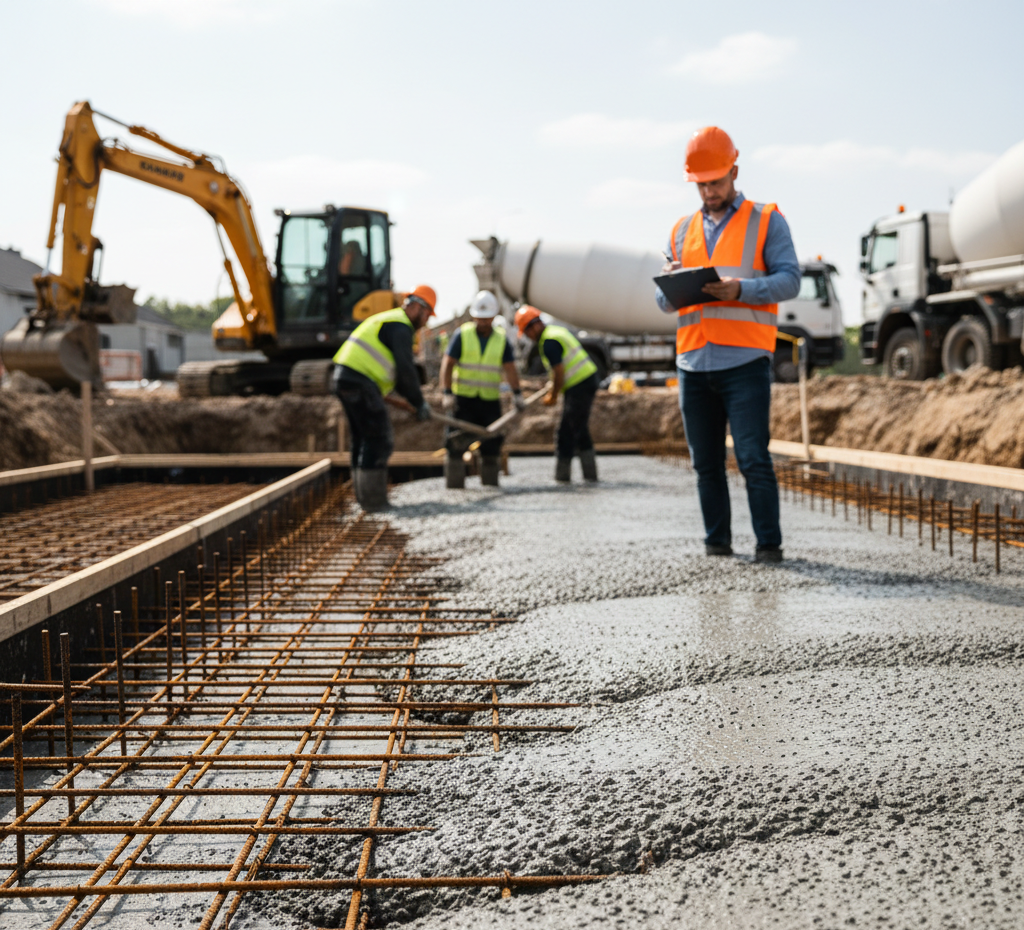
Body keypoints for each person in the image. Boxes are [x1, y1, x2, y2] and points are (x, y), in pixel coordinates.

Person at [655, 126, 800, 563]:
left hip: (745, 360)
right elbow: (663, 301)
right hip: (694, 362)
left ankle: (768, 547)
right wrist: (675, 281)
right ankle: (717, 546)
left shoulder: (766, 219)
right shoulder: (681, 230)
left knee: (754, 458)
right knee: (706, 464)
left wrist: (742, 290)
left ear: (734, 171)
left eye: (716, 182)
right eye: (701, 184)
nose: (709, 191)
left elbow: (790, 279)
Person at [333, 285, 436, 510]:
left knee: (363, 439)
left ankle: (365, 499)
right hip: (359, 379)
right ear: (418, 307)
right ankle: (374, 503)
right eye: (427, 314)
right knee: (379, 439)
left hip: (346, 377)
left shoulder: (391, 321)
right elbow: (405, 371)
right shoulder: (400, 326)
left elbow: (396, 377)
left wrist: (411, 400)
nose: (427, 320)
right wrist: (419, 403)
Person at [440, 290, 524, 488]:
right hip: (464, 400)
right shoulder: (463, 335)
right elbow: (448, 364)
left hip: (489, 401)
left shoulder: (501, 339)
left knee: (491, 446)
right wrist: (447, 393)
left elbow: (510, 369)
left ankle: (490, 486)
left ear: (494, 317)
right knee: (455, 444)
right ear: (474, 316)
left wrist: (517, 394)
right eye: (480, 318)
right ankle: (454, 491)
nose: (484, 322)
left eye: (487, 318)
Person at [515, 306, 599, 483]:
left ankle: (572, 477)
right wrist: (553, 385)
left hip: (580, 383)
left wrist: (553, 395)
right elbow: (559, 371)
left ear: (534, 327)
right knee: (574, 429)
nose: (528, 337)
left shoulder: (549, 342)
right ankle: (581, 476)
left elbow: (559, 372)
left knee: (571, 430)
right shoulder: (554, 332)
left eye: (527, 332)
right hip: (582, 381)